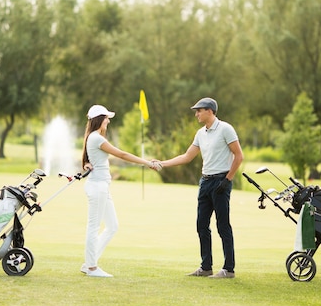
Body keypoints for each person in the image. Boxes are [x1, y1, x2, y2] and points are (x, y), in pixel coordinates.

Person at [155, 97, 243, 279]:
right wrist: (162, 164)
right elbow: (187, 156)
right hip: (205, 182)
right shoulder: (200, 133)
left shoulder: (226, 129)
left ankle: (229, 269)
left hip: (221, 181)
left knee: (222, 225)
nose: (196, 114)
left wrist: (227, 180)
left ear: (209, 111)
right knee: (201, 225)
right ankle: (206, 267)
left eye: (199, 110)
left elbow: (238, 156)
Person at [80, 104, 160, 277]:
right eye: (106, 118)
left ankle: (89, 262)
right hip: (98, 187)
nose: (108, 121)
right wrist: (147, 163)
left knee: (113, 226)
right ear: (99, 119)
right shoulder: (96, 138)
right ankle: (92, 267)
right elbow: (122, 155)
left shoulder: (93, 137)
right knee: (93, 227)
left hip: (102, 186)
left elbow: (88, 158)